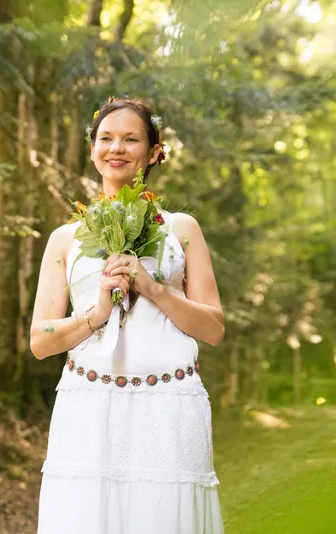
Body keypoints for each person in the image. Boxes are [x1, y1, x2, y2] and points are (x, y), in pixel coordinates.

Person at [30, 97, 225, 534]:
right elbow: (40, 340)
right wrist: (97, 312)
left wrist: (153, 288)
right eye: (106, 138)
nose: (115, 148)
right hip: (87, 406)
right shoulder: (65, 238)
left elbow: (213, 328)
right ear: (93, 148)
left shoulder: (182, 230)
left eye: (131, 139)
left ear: (154, 152)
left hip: (170, 406)